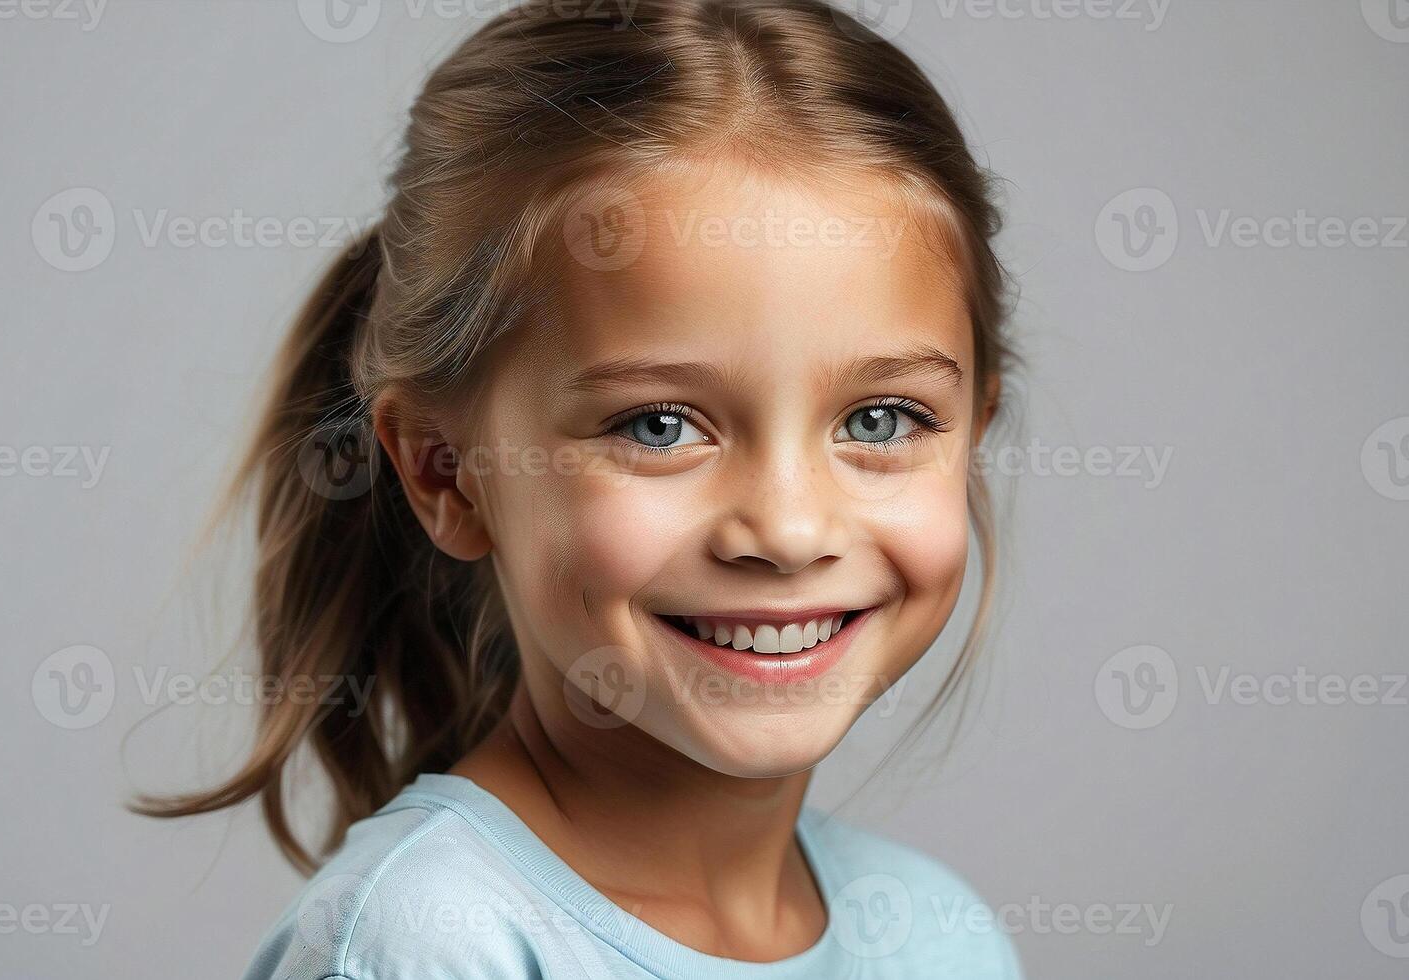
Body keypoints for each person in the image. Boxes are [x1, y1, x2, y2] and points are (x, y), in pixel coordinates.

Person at [138, 0, 1023, 975]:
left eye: (880, 419)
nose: (789, 526)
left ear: (973, 431)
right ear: (448, 472)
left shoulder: (941, 935)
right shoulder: (431, 943)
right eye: (659, 425)